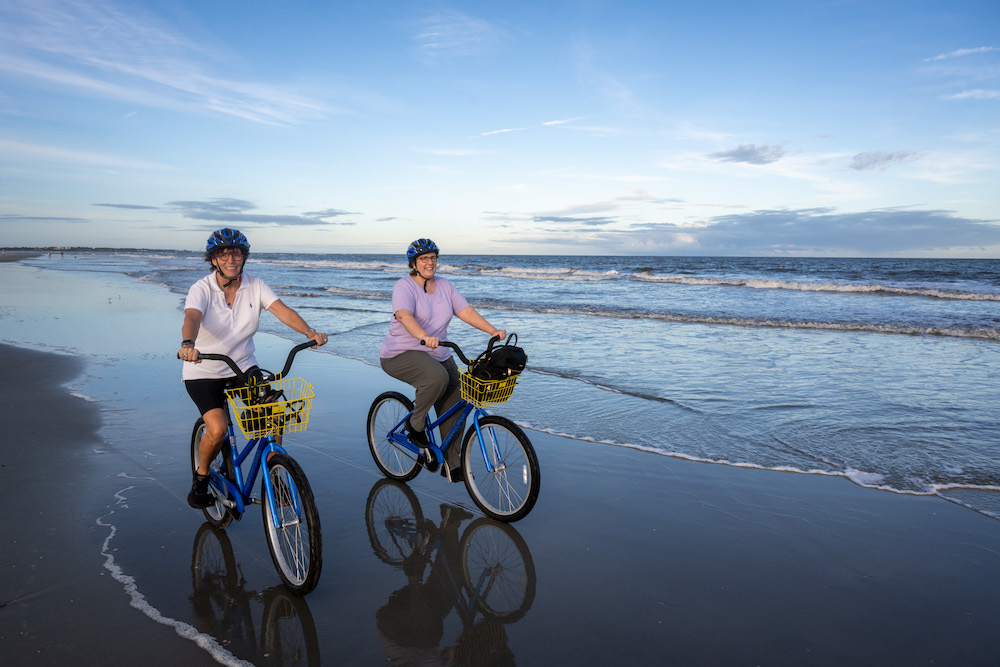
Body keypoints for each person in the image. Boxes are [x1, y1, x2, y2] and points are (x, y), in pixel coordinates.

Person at [179, 228, 328, 509]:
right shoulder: (201, 289)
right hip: (204, 370)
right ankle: (201, 476)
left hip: (243, 367)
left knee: (273, 413)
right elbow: (192, 316)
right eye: (223, 254)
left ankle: (275, 471)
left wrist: (309, 331)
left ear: (244, 257)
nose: (230, 259)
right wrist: (188, 343)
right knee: (218, 428)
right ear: (213, 260)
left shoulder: (255, 285)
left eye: (236, 253)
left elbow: (281, 309)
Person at [379, 238, 506, 482]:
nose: (430, 262)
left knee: (458, 396)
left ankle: (452, 463)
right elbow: (405, 316)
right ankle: (415, 426)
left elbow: (465, 311)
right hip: (400, 353)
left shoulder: (446, 286)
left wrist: (492, 331)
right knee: (437, 377)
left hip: (439, 352)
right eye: (424, 258)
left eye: (433, 258)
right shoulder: (404, 287)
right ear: (414, 263)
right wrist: (423, 336)